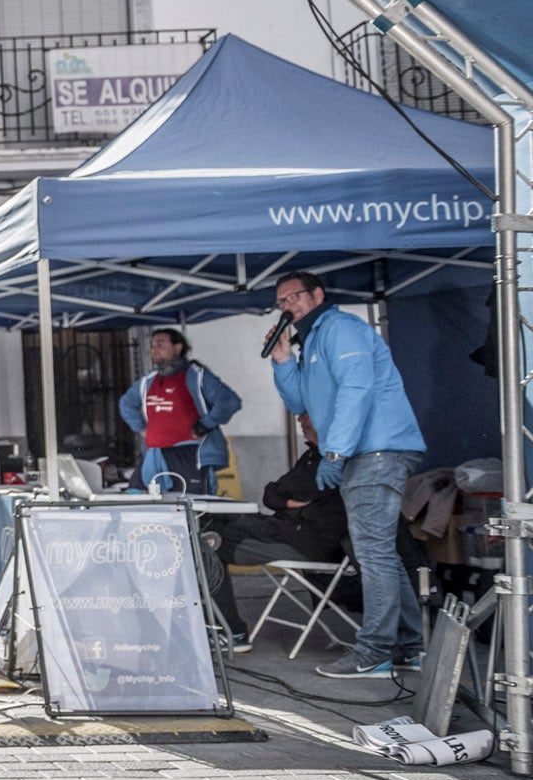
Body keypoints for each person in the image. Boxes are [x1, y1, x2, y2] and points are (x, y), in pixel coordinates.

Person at [268, 270, 426, 679]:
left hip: (376, 448)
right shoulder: (312, 341)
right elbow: (300, 401)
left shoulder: (340, 328)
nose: (288, 306)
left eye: (294, 297)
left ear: (317, 294)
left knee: (372, 551)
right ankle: (409, 646)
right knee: (380, 550)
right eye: (281, 301)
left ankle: (373, 651)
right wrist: (283, 361)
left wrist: (335, 450)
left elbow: (358, 388)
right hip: (361, 451)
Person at [206, 412, 350, 649]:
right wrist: (287, 502)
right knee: (214, 522)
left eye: (306, 416)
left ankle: (230, 632)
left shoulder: (335, 463)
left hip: (303, 543)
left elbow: (305, 500)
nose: (300, 421)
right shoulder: (311, 457)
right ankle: (214, 625)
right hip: (284, 529)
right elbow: (271, 493)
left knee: (210, 544)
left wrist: (286, 502)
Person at [118, 328, 241, 494]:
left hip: (190, 455)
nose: (154, 350)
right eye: (152, 346)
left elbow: (229, 401)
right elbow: (126, 403)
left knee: (192, 509)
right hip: (155, 456)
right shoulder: (148, 381)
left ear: (178, 348)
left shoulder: (197, 376)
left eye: (160, 344)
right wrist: (141, 428)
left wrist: (205, 425)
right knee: (138, 501)